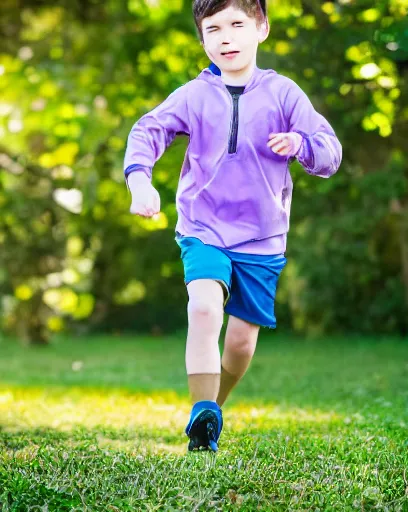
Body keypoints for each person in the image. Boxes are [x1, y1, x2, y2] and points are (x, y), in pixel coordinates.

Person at [123, 0, 342, 452]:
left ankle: (210, 410)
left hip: (263, 238)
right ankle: (204, 415)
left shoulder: (284, 93)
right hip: (203, 227)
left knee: (240, 343)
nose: (226, 37)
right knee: (203, 308)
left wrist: (301, 143)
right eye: (213, 28)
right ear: (202, 40)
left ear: (261, 28)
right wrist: (139, 180)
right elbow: (149, 130)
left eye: (237, 24)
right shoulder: (194, 95)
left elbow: (329, 151)